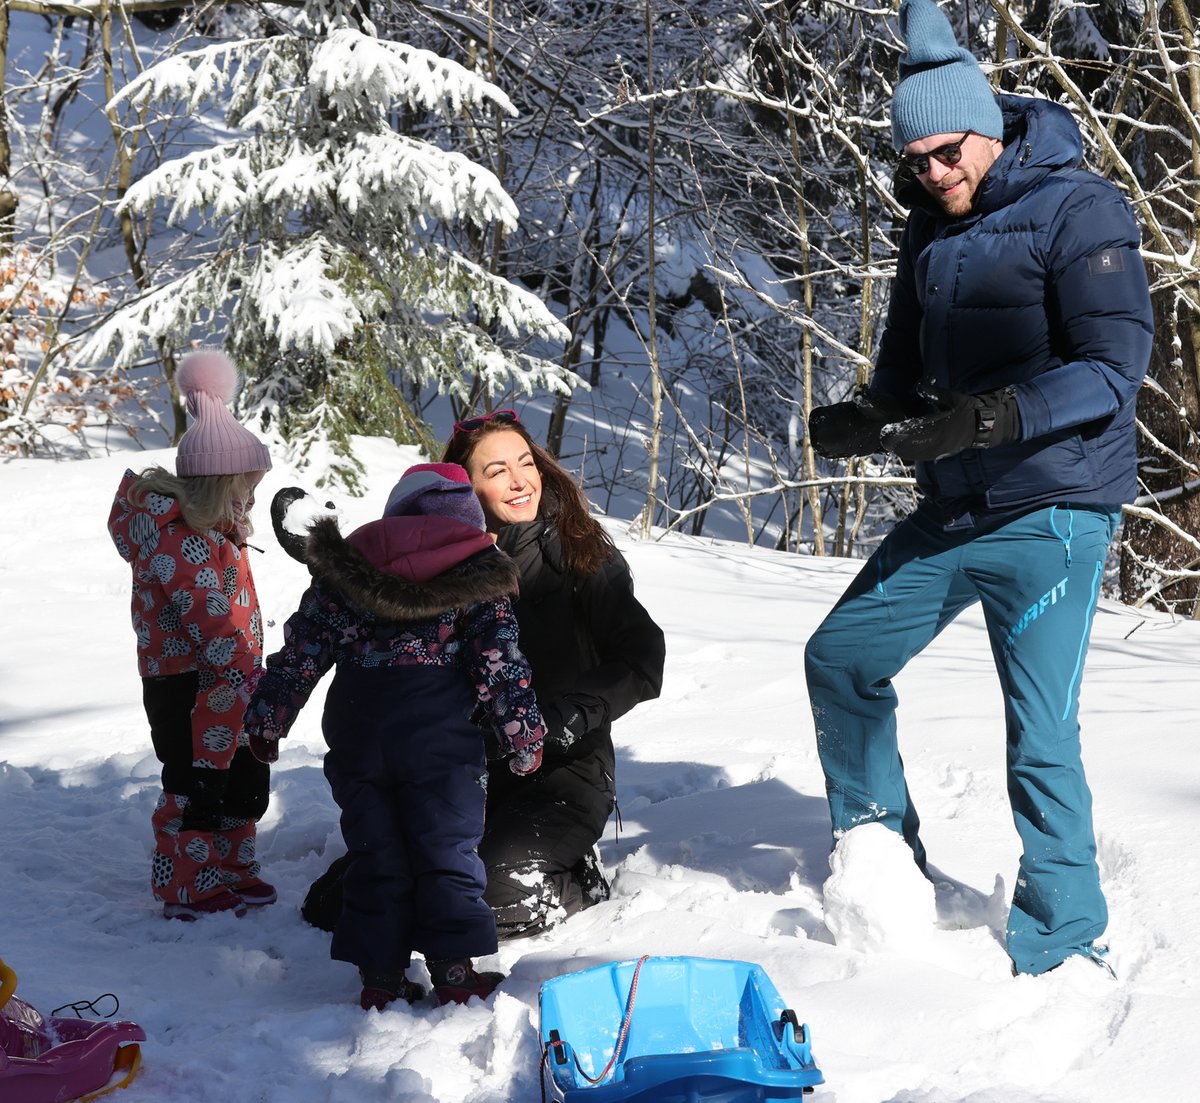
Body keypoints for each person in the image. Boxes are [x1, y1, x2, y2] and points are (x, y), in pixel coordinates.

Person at [804, 0, 1153, 977]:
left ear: (987, 130)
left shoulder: (1082, 208)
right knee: (840, 657)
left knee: (1039, 733)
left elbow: (1111, 369)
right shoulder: (929, 230)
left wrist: (991, 415)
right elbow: (903, 371)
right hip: (955, 507)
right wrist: (869, 422)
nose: (934, 174)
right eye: (914, 161)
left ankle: (1065, 935)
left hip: (1053, 508)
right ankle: (881, 859)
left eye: (947, 152)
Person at [242, 463, 546, 1009]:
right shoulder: (480, 577)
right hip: (441, 740)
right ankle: (453, 968)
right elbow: (500, 664)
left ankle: (380, 976)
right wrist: (522, 734)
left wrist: (269, 717)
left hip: (360, 731)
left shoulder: (348, 573)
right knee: (446, 847)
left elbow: (301, 652)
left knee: (374, 847)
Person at [442, 410, 666, 939]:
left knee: (497, 892)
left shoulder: (581, 550)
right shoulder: (445, 565)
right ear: (465, 487)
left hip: (565, 770)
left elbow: (641, 659)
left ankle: (576, 883)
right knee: (359, 896)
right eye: (496, 471)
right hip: (466, 772)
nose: (521, 480)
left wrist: (567, 715)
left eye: (526, 463)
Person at [108, 349, 276, 921]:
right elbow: (211, 619)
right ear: (213, 487)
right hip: (186, 680)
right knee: (194, 779)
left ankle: (228, 864)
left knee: (239, 773)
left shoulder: (217, 529)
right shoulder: (176, 540)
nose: (249, 499)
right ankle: (186, 878)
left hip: (230, 675)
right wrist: (251, 667)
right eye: (242, 486)